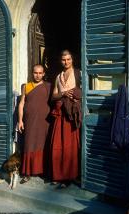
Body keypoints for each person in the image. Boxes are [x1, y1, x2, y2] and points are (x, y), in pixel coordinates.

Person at [50, 49, 82, 187]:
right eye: (63, 59)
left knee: (72, 146)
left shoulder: (79, 73)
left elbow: (85, 91)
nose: (66, 62)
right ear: (60, 60)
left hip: (72, 114)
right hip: (60, 114)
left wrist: (74, 93)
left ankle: (72, 176)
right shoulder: (58, 76)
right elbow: (53, 96)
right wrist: (63, 93)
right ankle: (59, 175)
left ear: (72, 59)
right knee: (58, 145)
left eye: (68, 59)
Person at [18, 64, 51, 184]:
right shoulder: (26, 86)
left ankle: (43, 171)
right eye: (35, 73)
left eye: (40, 73)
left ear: (43, 74)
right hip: (29, 120)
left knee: (43, 144)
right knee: (29, 144)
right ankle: (27, 173)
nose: (37, 75)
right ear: (32, 73)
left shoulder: (48, 87)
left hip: (44, 121)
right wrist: (20, 120)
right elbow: (21, 103)